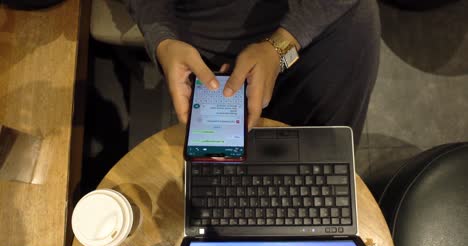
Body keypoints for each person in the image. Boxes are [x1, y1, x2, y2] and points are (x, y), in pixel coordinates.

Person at [125, 0, 380, 145]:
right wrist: (163, 41)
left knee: (325, 159)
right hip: (206, 44)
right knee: (224, 170)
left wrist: (280, 48)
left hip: (304, 29)